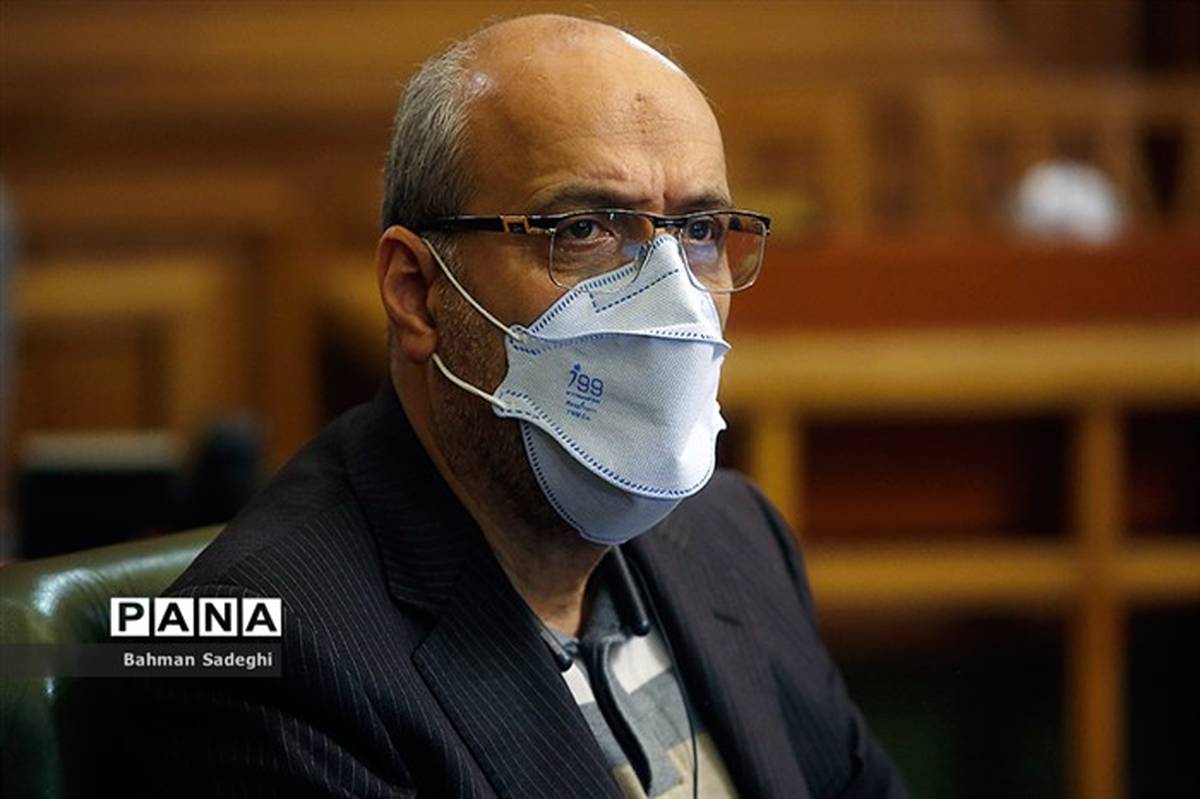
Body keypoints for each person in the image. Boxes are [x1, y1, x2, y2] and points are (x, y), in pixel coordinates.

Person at [129, 14, 906, 799]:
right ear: (417, 293)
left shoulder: (735, 536)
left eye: (699, 231)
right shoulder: (258, 658)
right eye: (584, 229)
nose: (673, 299)